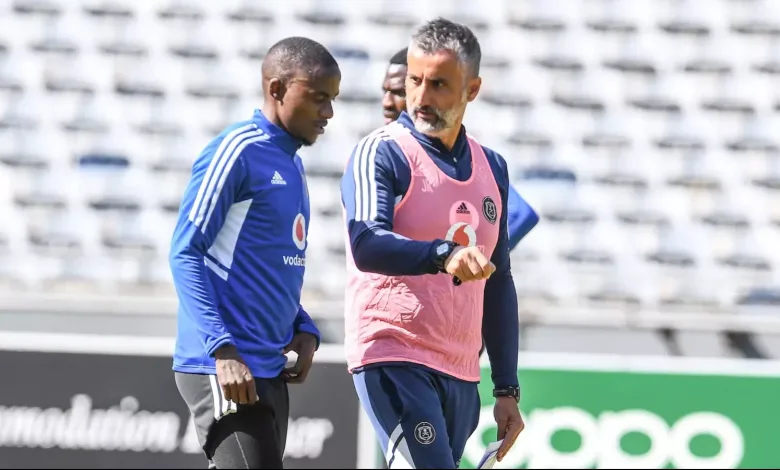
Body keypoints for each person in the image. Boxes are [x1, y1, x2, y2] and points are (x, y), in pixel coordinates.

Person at [341, 18, 533, 469]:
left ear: (472, 89)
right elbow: (366, 243)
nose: (421, 97)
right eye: (415, 80)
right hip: (393, 352)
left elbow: (499, 280)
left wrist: (506, 388)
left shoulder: (493, 168)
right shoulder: (382, 151)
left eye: (439, 85)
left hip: (461, 370)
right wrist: (442, 255)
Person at [169, 36, 340, 469]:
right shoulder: (237, 151)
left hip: (265, 366)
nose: (329, 113)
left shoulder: (291, 163)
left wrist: (302, 324)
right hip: (224, 365)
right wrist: (222, 350)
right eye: (319, 98)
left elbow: (264, 265)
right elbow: (185, 252)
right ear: (278, 89)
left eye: (332, 100)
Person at [381, 47, 539, 251]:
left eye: (398, 92)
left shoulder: (452, 155)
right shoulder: (385, 153)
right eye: (384, 91)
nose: (386, 102)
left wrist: (471, 260)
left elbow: (520, 214)